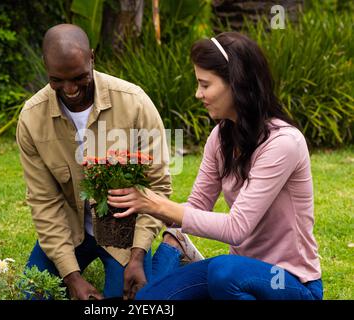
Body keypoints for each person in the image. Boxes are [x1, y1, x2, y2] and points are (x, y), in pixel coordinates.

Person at [107, 32, 323, 300]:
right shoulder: (220, 137)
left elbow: (236, 228)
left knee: (223, 273)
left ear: (237, 83)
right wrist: (137, 197)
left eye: (205, 85)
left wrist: (157, 204)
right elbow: (197, 206)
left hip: (289, 281)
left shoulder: (283, 143)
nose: (198, 94)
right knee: (149, 301)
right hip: (239, 272)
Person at [16, 24, 171, 300]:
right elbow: (44, 202)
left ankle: (170, 253)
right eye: (58, 80)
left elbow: (157, 185)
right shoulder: (31, 118)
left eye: (78, 77)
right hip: (69, 229)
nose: (70, 89)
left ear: (92, 58)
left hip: (123, 233)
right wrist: (72, 277)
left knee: (130, 298)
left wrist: (138, 254)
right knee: (33, 295)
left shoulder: (134, 103)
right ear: (46, 66)